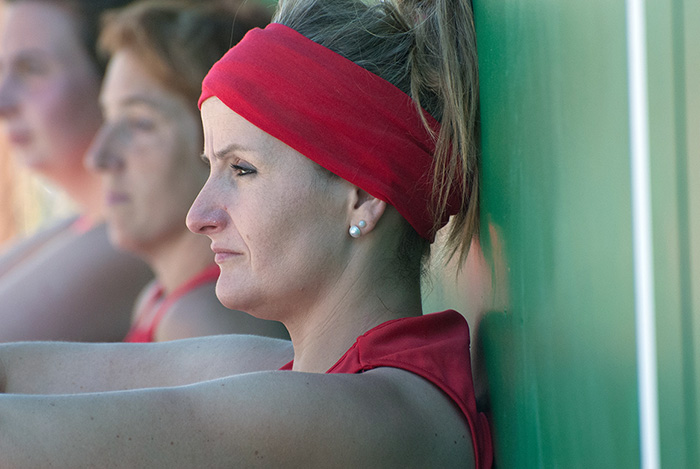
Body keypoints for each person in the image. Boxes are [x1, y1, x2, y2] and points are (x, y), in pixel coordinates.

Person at [0, 0, 492, 466]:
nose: (200, 214)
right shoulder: (297, 371)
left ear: (362, 197)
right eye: (210, 167)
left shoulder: (365, 416)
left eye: (242, 169)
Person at [86, 0, 288, 342]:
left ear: (218, 142)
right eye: (107, 118)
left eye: (140, 123)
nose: (98, 157)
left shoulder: (204, 321)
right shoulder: (158, 299)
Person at [0, 0, 154, 341]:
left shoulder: (133, 243)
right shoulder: (78, 227)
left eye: (32, 69)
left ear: (115, 77)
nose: (3, 101)